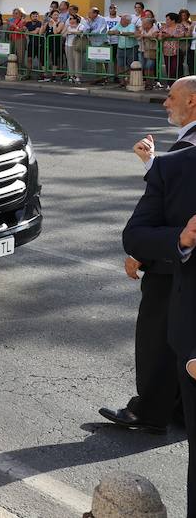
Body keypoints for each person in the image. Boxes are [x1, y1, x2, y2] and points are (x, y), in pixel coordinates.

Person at [103, 86, 196, 435]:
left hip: (172, 266)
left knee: (157, 340)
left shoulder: (184, 156)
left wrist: (142, 253)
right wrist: (153, 164)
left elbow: (173, 210)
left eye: (171, 96)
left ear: (193, 100)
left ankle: (150, 411)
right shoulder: (180, 155)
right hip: (174, 256)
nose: (165, 102)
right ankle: (178, 409)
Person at [123, 77, 196, 509]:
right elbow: (140, 232)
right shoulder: (179, 165)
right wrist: (181, 241)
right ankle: (156, 408)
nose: (165, 102)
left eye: (171, 95)